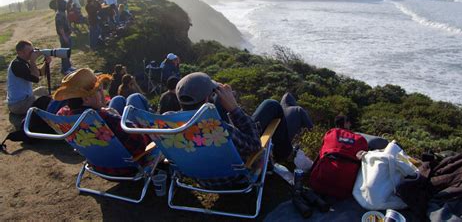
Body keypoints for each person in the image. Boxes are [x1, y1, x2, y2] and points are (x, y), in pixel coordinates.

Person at [175, 73, 313, 183]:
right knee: (272, 105)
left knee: (219, 101)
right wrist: (234, 109)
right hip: (236, 175)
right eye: (212, 92)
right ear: (206, 100)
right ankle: (284, 153)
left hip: (201, 175)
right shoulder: (219, 129)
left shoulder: (170, 126)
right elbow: (255, 145)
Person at [53, 68, 152, 175]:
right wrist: (117, 116)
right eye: (99, 90)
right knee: (135, 98)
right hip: (126, 167)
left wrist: (101, 110)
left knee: (118, 99)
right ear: (86, 99)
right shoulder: (107, 119)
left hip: (98, 164)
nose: (103, 93)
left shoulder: (63, 115)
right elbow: (140, 143)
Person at [6, 40, 52, 127]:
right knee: (44, 100)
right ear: (20, 52)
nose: (32, 53)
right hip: (18, 104)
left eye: (32, 51)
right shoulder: (17, 65)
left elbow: (40, 73)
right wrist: (33, 61)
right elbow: (35, 78)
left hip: (25, 98)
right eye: (30, 51)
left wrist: (46, 63)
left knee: (42, 90)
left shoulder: (23, 62)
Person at [54, 0, 73, 74]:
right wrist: (64, 37)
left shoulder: (62, 13)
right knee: (64, 52)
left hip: (67, 35)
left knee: (68, 51)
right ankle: (65, 69)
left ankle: (68, 66)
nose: (66, 5)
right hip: (64, 36)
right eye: (64, 4)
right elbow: (60, 27)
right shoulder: (59, 15)